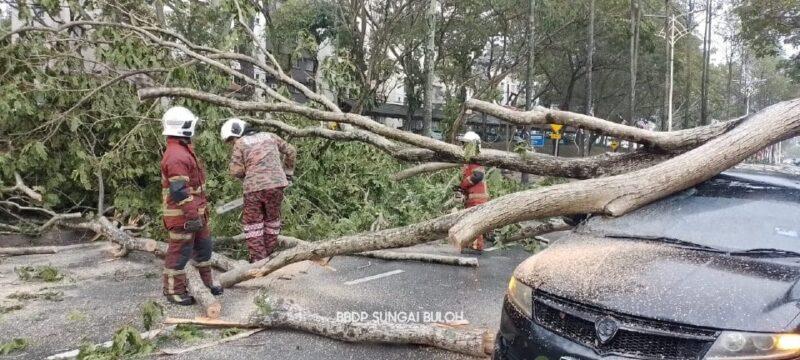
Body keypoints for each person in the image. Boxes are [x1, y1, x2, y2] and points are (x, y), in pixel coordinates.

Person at [160, 106, 222, 305]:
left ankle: (205, 283)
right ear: (184, 127)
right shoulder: (176, 155)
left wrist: (198, 213)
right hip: (183, 215)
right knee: (179, 253)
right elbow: (179, 191)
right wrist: (192, 215)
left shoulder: (184, 149)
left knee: (204, 249)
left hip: (196, 212)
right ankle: (173, 291)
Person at [221, 118, 296, 263]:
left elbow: (235, 171)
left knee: (253, 224)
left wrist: (248, 177)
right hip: (277, 185)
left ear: (237, 133)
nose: (232, 144)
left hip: (253, 189)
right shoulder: (270, 136)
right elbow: (291, 151)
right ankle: (269, 257)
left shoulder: (240, 143)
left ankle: (258, 261)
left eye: (231, 140)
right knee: (272, 221)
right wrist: (288, 173)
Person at [455, 131, 490, 255]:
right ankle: (471, 245)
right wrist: (461, 188)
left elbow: (478, 176)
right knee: (470, 221)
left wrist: (463, 184)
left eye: (466, 144)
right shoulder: (469, 161)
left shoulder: (476, 159)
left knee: (475, 222)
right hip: (472, 197)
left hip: (478, 198)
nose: (464, 147)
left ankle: (476, 247)